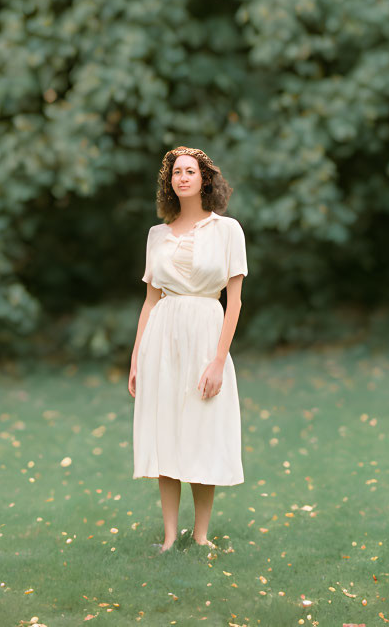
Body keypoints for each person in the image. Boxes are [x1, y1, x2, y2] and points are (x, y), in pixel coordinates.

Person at [129, 145, 248, 553]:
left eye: (190, 171)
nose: (182, 177)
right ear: (170, 183)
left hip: (205, 335)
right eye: (176, 172)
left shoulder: (227, 230)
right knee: (166, 434)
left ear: (204, 179)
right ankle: (168, 537)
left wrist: (218, 360)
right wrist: (136, 357)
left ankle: (200, 536)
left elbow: (234, 302)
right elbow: (150, 300)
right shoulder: (156, 236)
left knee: (202, 432)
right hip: (161, 340)